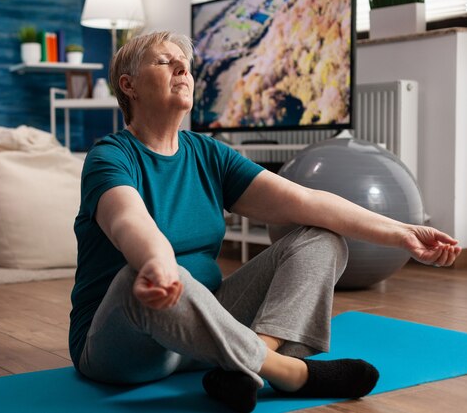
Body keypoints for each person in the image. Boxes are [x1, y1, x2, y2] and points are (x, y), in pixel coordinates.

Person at [68, 31, 461, 413]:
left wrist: (404, 233)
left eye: (185, 65)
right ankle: (287, 371)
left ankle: (243, 365)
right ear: (129, 85)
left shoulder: (207, 154)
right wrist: (158, 265)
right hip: (126, 345)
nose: (182, 70)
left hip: (208, 329)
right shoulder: (110, 157)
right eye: (165, 61)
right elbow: (129, 222)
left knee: (321, 239)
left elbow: (305, 201)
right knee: (143, 278)